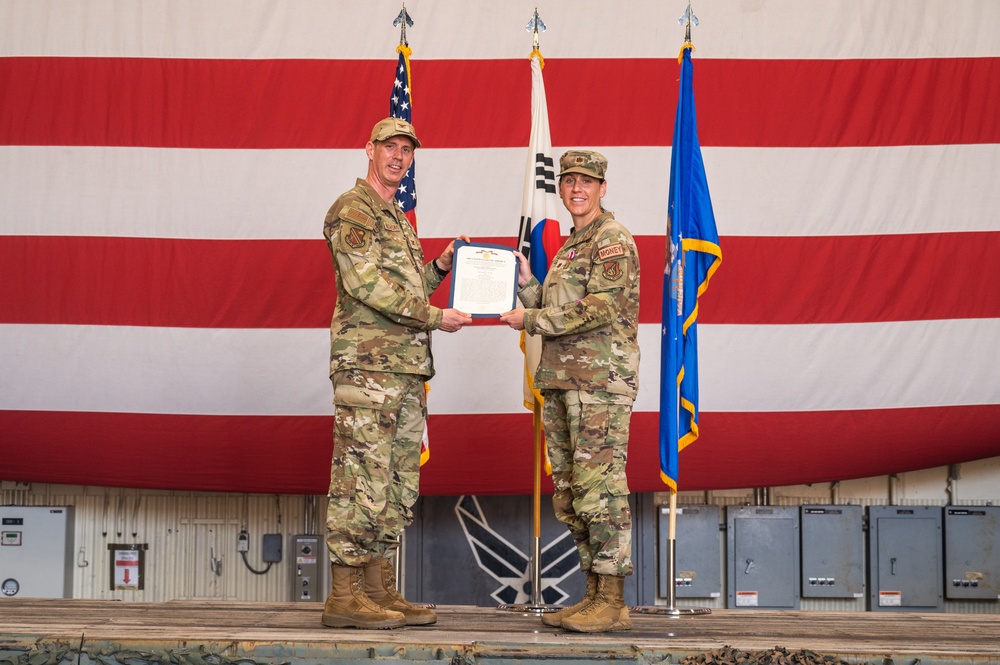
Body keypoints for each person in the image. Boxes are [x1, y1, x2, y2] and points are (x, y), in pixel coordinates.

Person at [321, 117, 472, 629]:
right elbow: (366, 286)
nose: (399, 157)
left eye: (406, 150)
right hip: (368, 368)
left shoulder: (398, 218)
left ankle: (379, 589)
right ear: (369, 150)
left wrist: (443, 266)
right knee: (360, 479)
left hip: (404, 371)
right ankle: (344, 595)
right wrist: (436, 317)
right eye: (390, 147)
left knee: (397, 483)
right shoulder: (353, 210)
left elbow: (409, 290)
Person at [500, 150, 640, 633]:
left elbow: (600, 307)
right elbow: (562, 305)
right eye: (569, 181)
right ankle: (595, 595)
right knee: (572, 492)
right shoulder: (573, 244)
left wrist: (533, 319)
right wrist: (527, 287)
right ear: (560, 188)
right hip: (564, 382)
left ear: (603, 187)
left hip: (599, 385)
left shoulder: (611, 240)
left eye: (587, 181)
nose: (576, 189)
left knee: (601, 489)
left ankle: (613, 596)